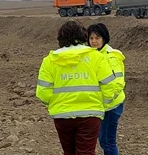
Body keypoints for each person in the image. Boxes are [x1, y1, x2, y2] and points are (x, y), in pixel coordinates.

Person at [36, 20, 120, 155]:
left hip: (62, 115)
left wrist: (55, 104)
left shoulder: (50, 60)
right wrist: (102, 105)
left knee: (69, 152)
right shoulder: (96, 57)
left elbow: (43, 92)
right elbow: (110, 86)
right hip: (90, 115)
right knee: (86, 152)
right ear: (83, 36)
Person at [88, 23, 126, 155]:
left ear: (104, 38)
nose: (94, 41)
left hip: (111, 106)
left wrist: (108, 99)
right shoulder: (91, 56)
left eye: (97, 38)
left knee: (107, 141)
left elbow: (118, 83)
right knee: (103, 139)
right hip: (100, 106)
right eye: (91, 38)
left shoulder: (111, 56)